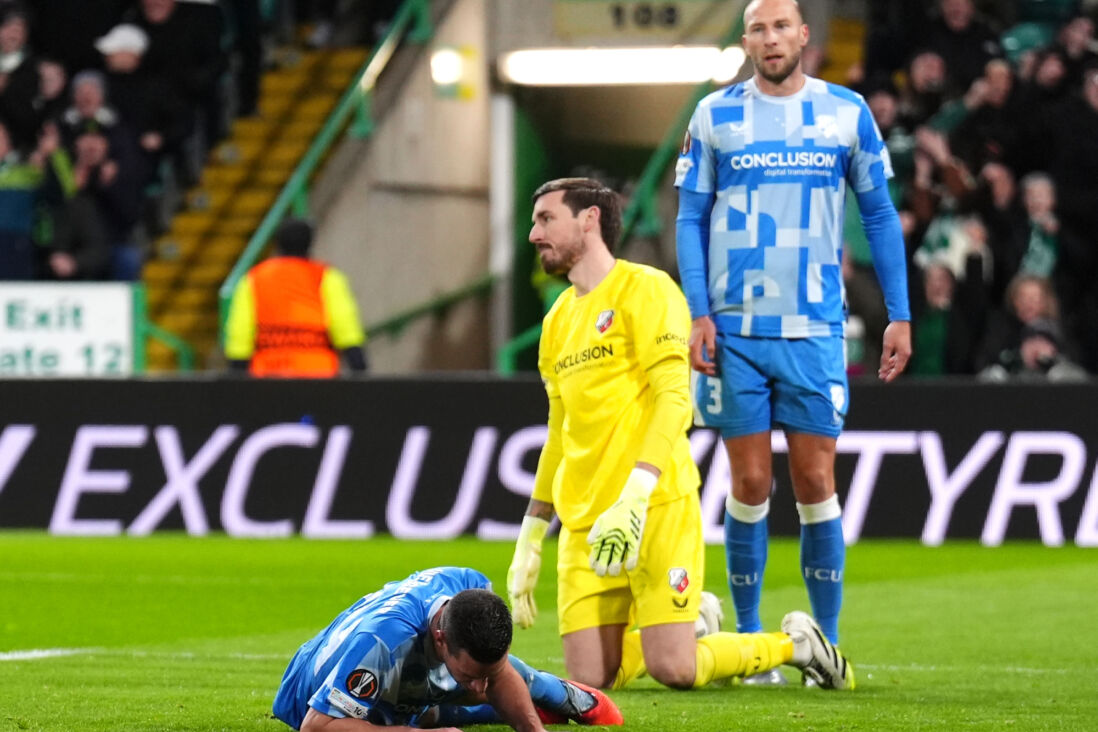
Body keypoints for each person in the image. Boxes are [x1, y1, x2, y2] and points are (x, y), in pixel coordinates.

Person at [506, 177, 855, 693]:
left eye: (545, 219)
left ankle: (798, 645)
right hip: (585, 523)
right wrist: (532, 533)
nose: (534, 235)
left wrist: (635, 494)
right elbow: (561, 428)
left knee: (676, 670)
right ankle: (691, 621)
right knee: (587, 686)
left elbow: (675, 399)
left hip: (656, 507)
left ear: (589, 220)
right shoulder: (558, 320)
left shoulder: (646, 290)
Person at [673, 0, 911, 683]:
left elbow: (880, 211)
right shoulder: (714, 115)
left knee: (814, 481)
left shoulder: (846, 111)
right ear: (745, 40)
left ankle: (824, 645)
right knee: (747, 482)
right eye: (758, 27)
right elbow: (689, 217)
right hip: (735, 330)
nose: (771, 38)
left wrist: (899, 312)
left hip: (814, 329)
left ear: (805, 36)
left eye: (783, 26)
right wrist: (698, 310)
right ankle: (751, 647)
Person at [272, 566, 623, 731]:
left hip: (409, 668)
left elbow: (490, 671)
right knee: (401, 716)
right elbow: (316, 727)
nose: (481, 688)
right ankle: (507, 706)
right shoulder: (380, 644)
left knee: (498, 672)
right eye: (471, 675)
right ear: (440, 638)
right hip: (316, 695)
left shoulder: (468, 586)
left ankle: (564, 697)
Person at [224, 218, 368, 377]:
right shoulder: (327, 276)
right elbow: (345, 324)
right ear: (310, 242)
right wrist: (358, 365)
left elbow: (240, 330)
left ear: (277, 243)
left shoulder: (254, 278)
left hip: (268, 376)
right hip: (318, 375)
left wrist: (236, 371)